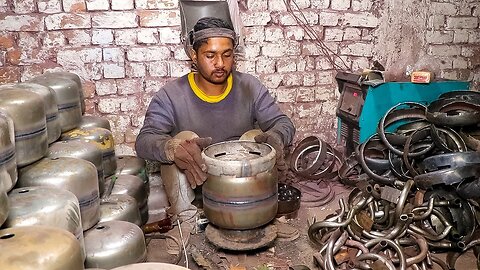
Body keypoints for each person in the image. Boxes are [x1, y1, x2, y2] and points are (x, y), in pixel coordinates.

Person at [135, 17, 295, 214]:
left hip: (241, 184)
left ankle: (258, 212)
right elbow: (144, 140)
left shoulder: (249, 87)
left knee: (255, 137)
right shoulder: (171, 95)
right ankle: (187, 221)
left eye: (227, 55)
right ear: (194, 55)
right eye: (210, 55)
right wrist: (171, 148)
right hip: (197, 182)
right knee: (184, 141)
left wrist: (276, 137)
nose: (220, 63)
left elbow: (282, 122)